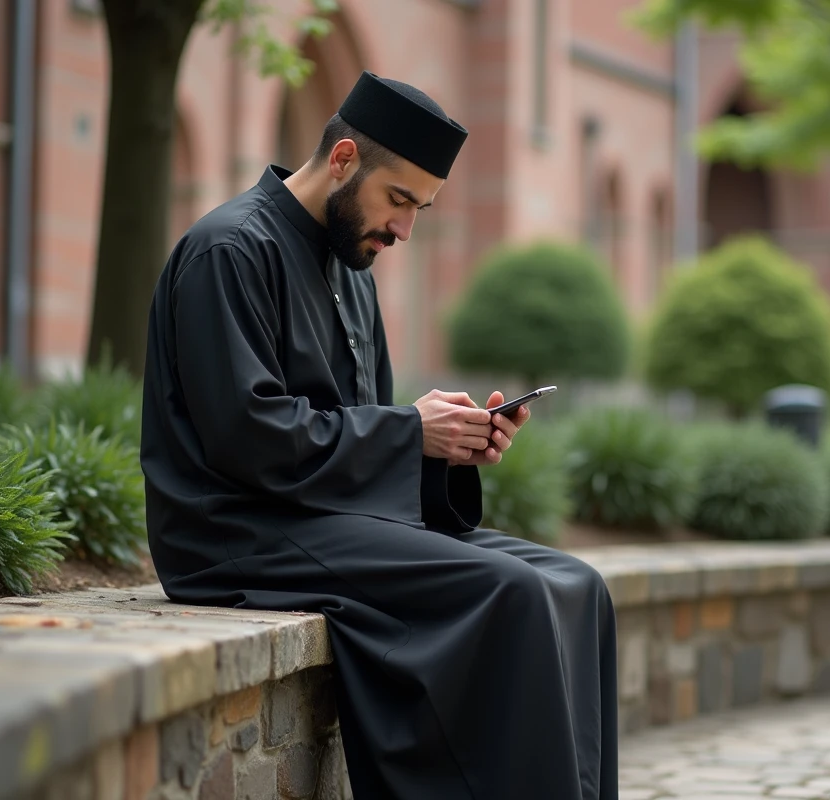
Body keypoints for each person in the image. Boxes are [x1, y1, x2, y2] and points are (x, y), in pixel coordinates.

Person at [140, 71, 619, 800]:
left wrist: (450, 445)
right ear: (341, 162)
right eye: (399, 200)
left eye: (421, 209)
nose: (404, 229)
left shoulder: (353, 267)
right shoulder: (228, 251)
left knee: (578, 585)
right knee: (514, 593)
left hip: (328, 521)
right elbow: (248, 440)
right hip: (237, 532)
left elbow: (362, 432)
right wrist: (408, 432)